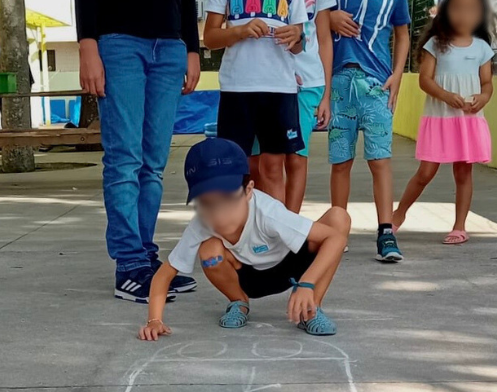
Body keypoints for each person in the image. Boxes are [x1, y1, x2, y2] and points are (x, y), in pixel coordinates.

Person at [138, 138, 350, 341]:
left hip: (291, 266)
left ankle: (311, 310)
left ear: (249, 190)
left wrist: (307, 284)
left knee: (338, 218)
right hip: (248, 278)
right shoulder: (202, 223)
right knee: (209, 250)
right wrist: (154, 320)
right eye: (206, 203)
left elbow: (335, 239)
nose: (218, 213)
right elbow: (163, 275)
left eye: (227, 200)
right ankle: (238, 302)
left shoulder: (269, 212)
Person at [76, 0, 202, 303]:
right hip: (119, 42)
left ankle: (144, 255)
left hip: (170, 46)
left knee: (153, 164)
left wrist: (193, 49)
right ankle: (129, 264)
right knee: (125, 160)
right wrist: (87, 45)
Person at [392, 0, 494, 245]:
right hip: (440, 119)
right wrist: (446, 96)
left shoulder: (481, 48)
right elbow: (425, 80)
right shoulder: (435, 45)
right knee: (425, 172)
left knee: (463, 172)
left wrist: (483, 97)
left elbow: (487, 83)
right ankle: (398, 214)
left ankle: (459, 226)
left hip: (467, 121)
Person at [327, 0, 410, 262]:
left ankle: (386, 232)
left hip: (378, 86)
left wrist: (398, 75)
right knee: (340, 162)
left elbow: (402, 33)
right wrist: (329, 18)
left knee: (380, 161)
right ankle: (337, 229)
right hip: (338, 82)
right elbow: (312, 22)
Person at [204, 0, 307, 204]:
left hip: (279, 87)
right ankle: (234, 230)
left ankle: (275, 232)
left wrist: (297, 36)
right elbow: (209, 38)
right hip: (237, 86)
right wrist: (240, 31)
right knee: (234, 166)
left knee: (273, 167)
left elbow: (300, 44)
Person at [249, 0, 336, 214]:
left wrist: (326, 95)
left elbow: (324, 39)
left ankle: (290, 227)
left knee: (295, 157)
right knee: (259, 161)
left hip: (308, 83)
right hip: (265, 79)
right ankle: (263, 222)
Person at [0, 24, 37, 113]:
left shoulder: (14, 47)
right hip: (1, 85)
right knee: (5, 112)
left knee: (21, 110)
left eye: (0, 32)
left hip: (20, 82)